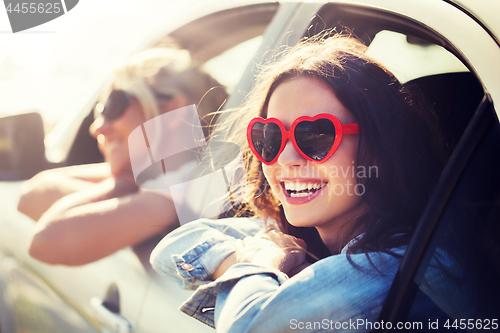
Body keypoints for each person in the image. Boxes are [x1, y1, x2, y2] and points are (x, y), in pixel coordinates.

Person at [149, 33, 468, 332]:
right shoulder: (306, 236)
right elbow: (174, 247)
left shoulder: (400, 267)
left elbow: (245, 325)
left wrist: (260, 262)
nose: (285, 159)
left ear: (381, 148)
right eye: (270, 137)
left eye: (315, 135)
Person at [17, 46, 227, 266]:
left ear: (173, 113)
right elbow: (33, 193)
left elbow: (45, 242)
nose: (97, 128)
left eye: (114, 106)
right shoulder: (171, 175)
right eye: (100, 111)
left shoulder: (181, 184)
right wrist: (127, 181)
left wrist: (120, 186)